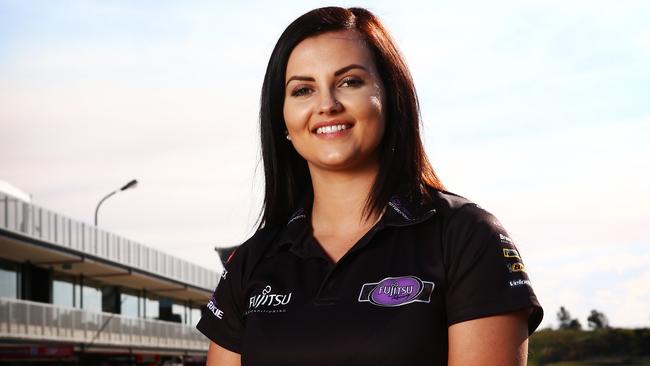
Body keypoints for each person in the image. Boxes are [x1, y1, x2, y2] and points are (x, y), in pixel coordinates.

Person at [197, 6, 543, 366]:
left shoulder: (466, 237)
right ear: (282, 119)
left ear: (391, 97)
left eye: (350, 82)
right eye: (302, 90)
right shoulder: (252, 261)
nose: (327, 105)